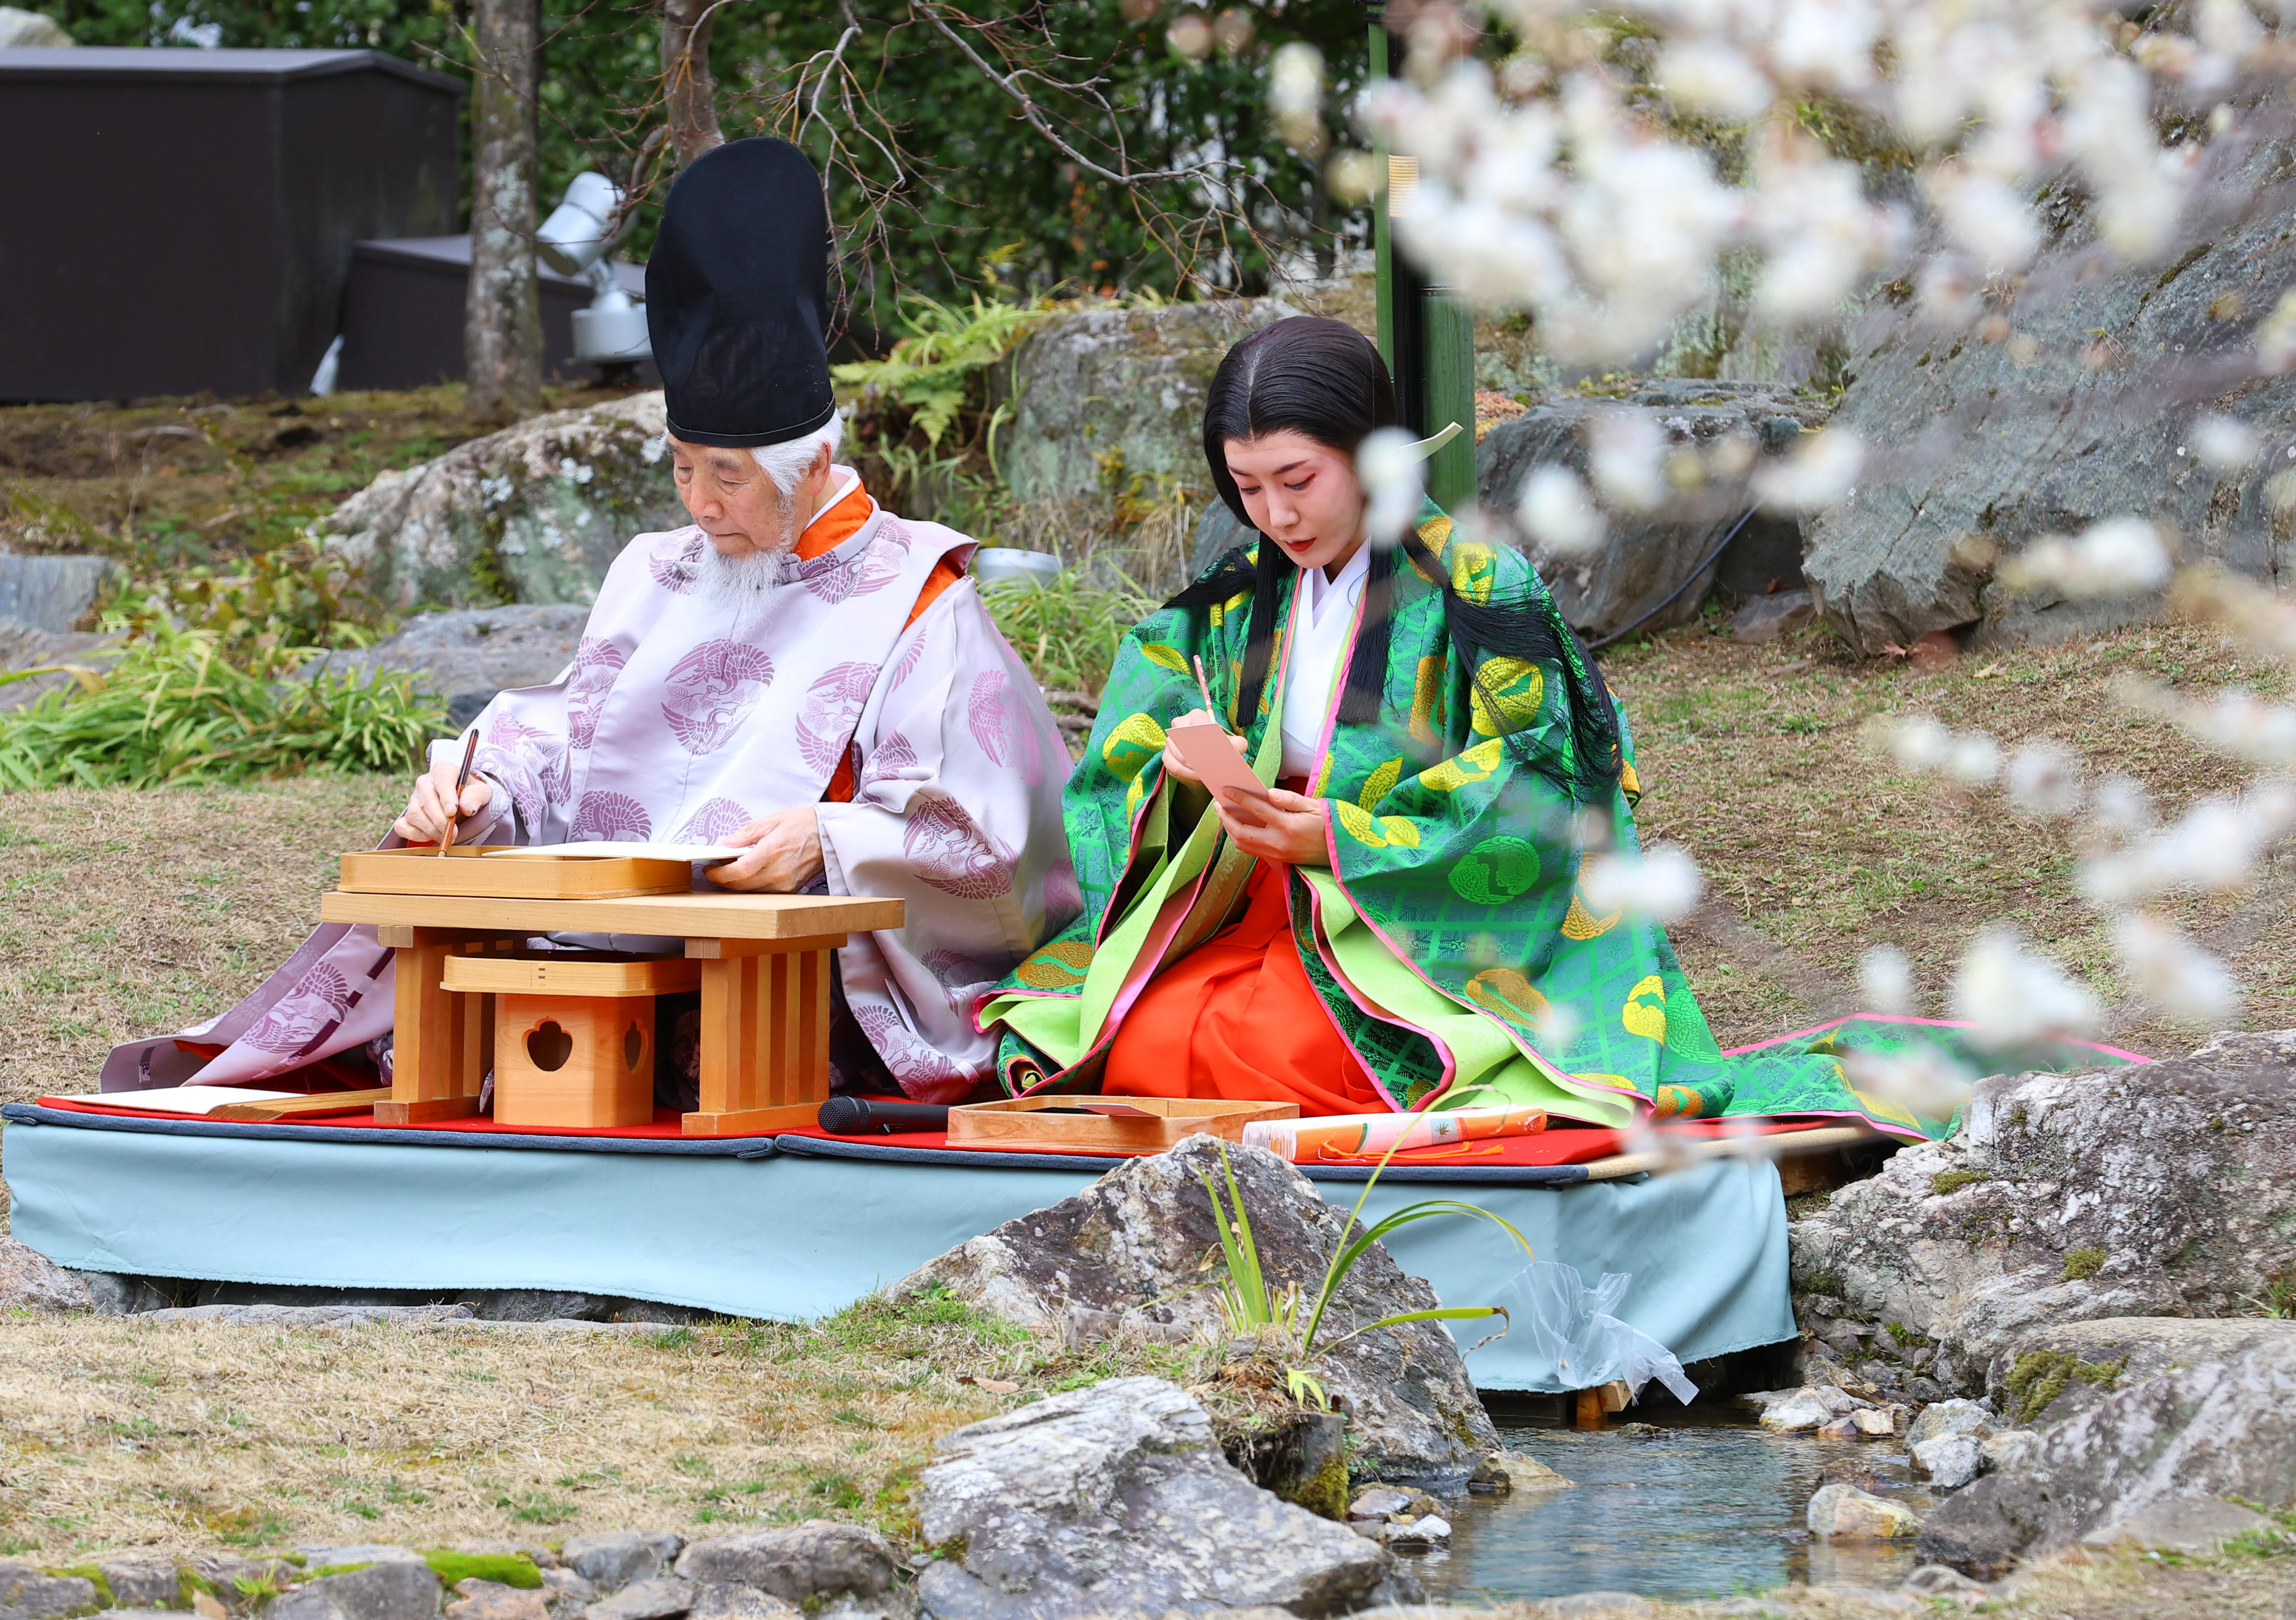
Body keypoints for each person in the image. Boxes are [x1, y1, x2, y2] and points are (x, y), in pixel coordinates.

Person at [104, 139, 1075, 1105]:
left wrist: (830, 840)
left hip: (800, 977)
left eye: (727, 477)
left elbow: (995, 842)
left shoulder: (917, 597)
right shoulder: (653, 572)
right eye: (681, 466)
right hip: (600, 946)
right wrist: (484, 793)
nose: (698, 504)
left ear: (813, 466)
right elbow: (570, 749)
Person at [977, 315, 1970, 1137]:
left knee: (1259, 1054)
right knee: (1150, 1039)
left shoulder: (1480, 588)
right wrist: (1196, 782)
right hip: (1258, 908)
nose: (1275, 515)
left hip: (1414, 927)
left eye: (1297, 479)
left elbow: (1538, 782)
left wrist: (1336, 834)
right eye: (1247, 489)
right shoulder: (1233, 606)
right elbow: (1120, 761)